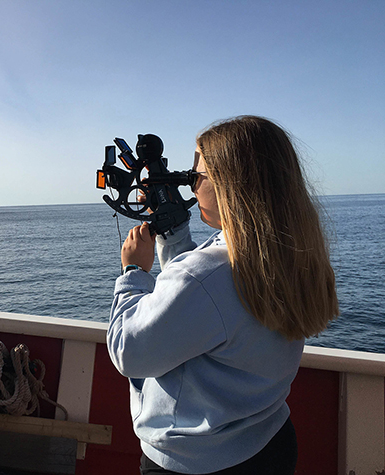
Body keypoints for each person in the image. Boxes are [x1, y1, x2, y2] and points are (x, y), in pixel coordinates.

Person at [106, 116, 339, 474]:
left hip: (195, 464)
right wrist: (173, 234)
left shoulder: (206, 276)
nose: (191, 186)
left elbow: (129, 351)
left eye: (196, 177)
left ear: (231, 185)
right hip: (268, 443)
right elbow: (201, 305)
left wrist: (133, 272)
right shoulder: (286, 252)